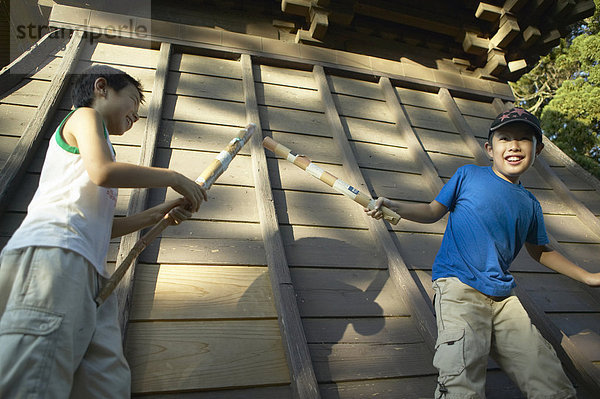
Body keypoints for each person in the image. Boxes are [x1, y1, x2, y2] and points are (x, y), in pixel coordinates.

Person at [0, 65, 207, 398]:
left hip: (89, 274)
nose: (136, 115)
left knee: (106, 383)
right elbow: (102, 172)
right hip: (55, 255)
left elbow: (104, 226)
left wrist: (158, 213)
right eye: (133, 102)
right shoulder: (84, 117)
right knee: (35, 378)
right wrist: (174, 177)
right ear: (102, 88)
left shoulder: (102, 147)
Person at [365, 107, 600, 398]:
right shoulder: (468, 176)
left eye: (524, 139)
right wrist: (395, 206)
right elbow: (431, 211)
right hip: (458, 290)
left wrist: (588, 277)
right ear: (490, 148)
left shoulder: (530, 204)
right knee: (460, 382)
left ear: (537, 149)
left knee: (551, 381)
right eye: (504, 138)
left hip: (504, 300)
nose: (514, 145)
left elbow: (540, 251)